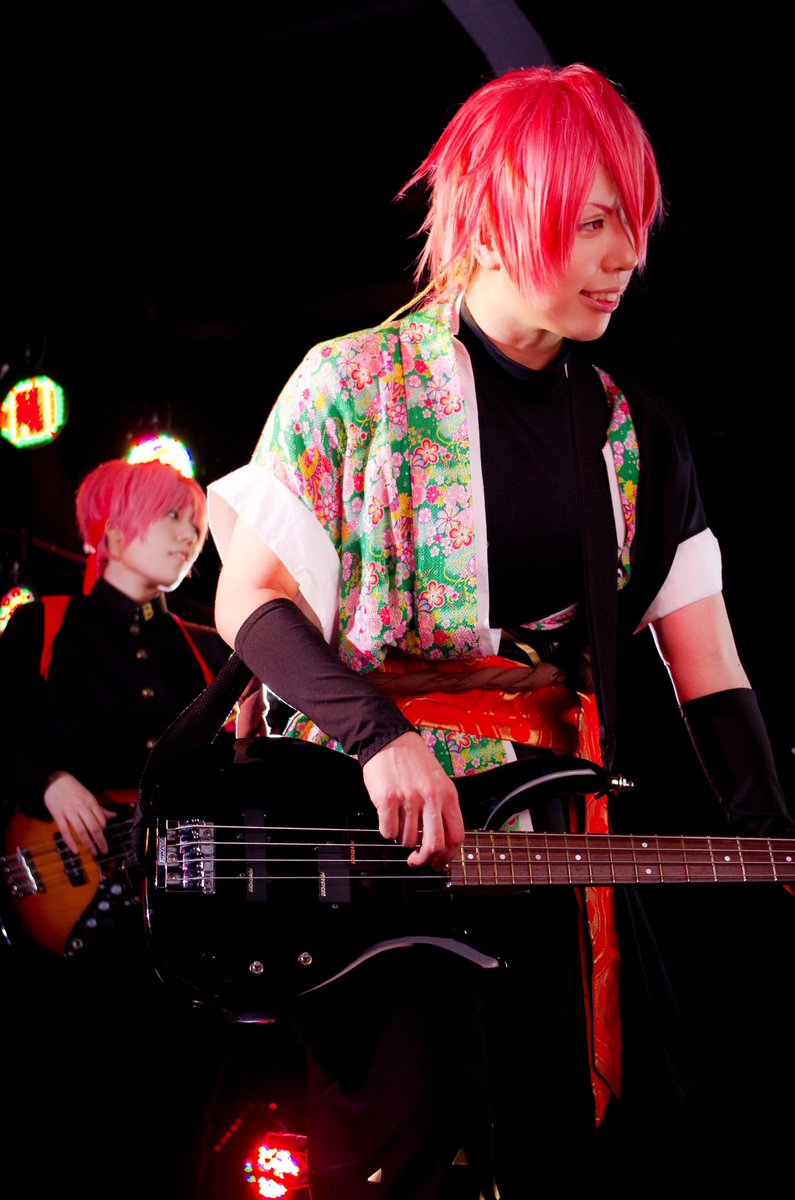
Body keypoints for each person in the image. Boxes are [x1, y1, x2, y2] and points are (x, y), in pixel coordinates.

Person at [207, 64, 794, 1199]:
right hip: (377, 844)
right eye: (592, 223)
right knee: (399, 1158)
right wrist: (381, 738)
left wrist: (772, 837)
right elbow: (251, 603)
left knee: (575, 1136)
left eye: (634, 223)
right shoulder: (352, 385)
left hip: (550, 842)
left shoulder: (635, 434)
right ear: (492, 216)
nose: (625, 257)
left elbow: (709, 665)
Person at [0, 457, 277, 1198]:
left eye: (197, 524)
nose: (190, 535)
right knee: (80, 1107)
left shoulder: (207, 649)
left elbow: (227, 784)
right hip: (68, 908)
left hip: (181, 924)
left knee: (183, 1119)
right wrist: (48, 782)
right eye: (171, 517)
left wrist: (250, 738)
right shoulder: (42, 626)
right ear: (115, 531)